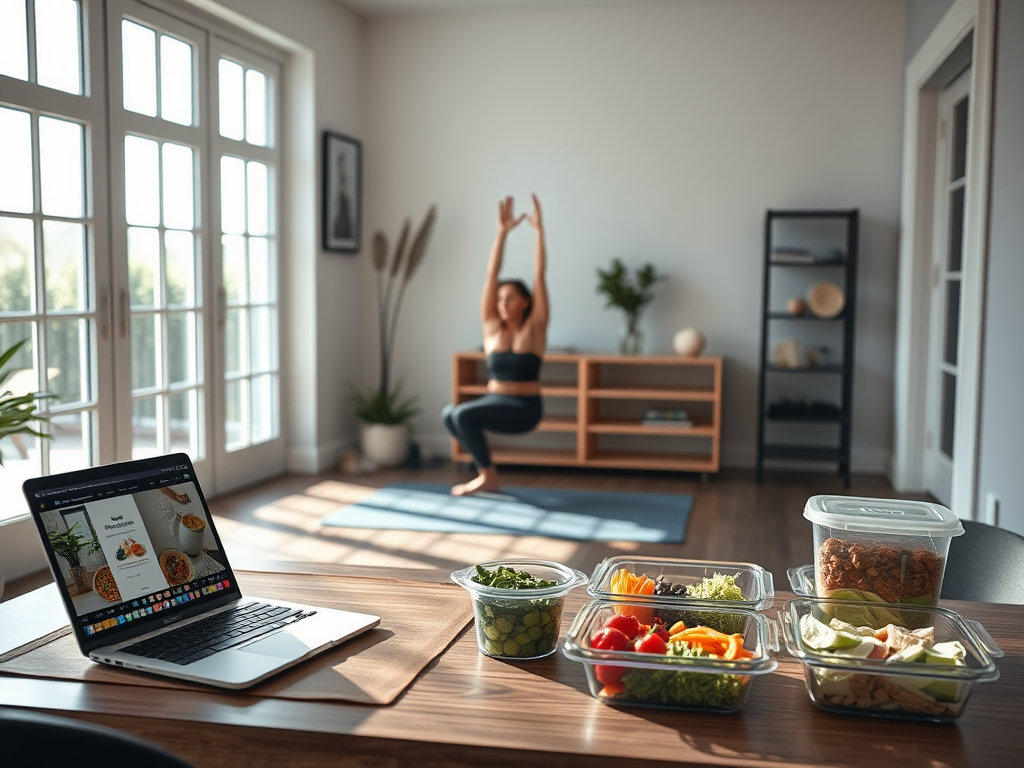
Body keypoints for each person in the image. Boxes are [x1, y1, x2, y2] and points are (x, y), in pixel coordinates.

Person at [442, 194, 549, 496]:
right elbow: (491, 275)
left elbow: (539, 275)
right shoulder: (492, 330)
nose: (503, 304)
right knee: (450, 414)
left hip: (524, 409)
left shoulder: (534, 329)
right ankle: (486, 473)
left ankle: (488, 476)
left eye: (510, 298)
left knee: (462, 414)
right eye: (500, 299)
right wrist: (502, 233)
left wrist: (539, 232)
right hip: (494, 402)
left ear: (525, 302)